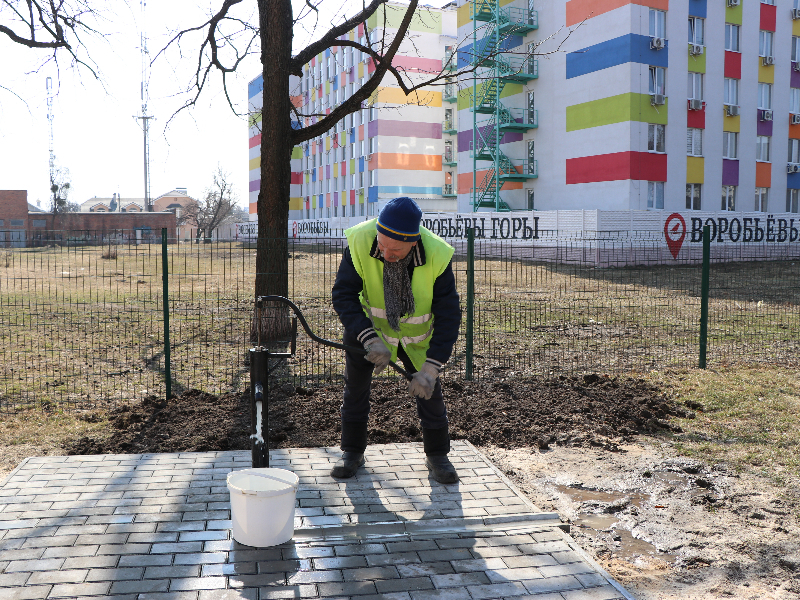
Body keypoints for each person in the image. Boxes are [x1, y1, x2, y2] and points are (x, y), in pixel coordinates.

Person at [331, 197, 461, 483]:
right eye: (383, 244)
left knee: (429, 393)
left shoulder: (438, 255)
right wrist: (368, 337)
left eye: (396, 249)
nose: (386, 253)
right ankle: (352, 452)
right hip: (368, 331)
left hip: (416, 339)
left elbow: (449, 315)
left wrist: (430, 369)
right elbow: (343, 295)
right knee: (355, 390)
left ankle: (438, 455)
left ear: (414, 243)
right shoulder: (359, 241)